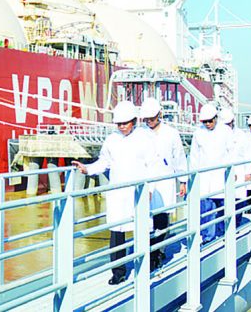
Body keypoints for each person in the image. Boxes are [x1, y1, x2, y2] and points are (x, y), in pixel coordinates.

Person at [72, 101, 162, 285]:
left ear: (133, 121)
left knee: (142, 230)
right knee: (116, 232)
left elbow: (153, 166)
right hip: (118, 193)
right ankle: (118, 272)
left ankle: (145, 266)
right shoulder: (111, 140)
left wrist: (150, 189)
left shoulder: (144, 138)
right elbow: (104, 162)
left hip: (139, 192)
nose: (121, 127)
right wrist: (88, 169)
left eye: (125, 123)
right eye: (119, 124)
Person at [139, 97, 186, 270]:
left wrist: (183, 180)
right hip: (146, 182)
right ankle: (148, 252)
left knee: (162, 218)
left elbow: (179, 157)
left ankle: (158, 252)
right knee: (146, 220)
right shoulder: (140, 134)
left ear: (159, 114)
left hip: (165, 181)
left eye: (152, 118)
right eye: (147, 119)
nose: (149, 122)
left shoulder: (171, 133)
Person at [189, 104, 231, 243]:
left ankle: (224, 232)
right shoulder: (198, 133)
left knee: (223, 207)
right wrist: (193, 175)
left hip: (221, 174)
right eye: (204, 121)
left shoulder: (225, 131)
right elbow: (194, 155)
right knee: (207, 209)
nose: (207, 124)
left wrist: (233, 171)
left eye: (210, 121)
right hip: (204, 176)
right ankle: (208, 237)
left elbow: (232, 152)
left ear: (216, 118)